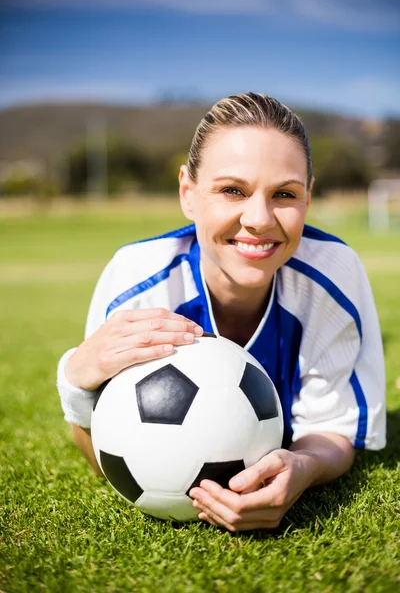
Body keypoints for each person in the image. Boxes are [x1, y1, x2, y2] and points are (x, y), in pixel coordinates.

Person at [57, 93, 386, 532]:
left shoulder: (332, 275)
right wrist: (76, 384)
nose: (259, 219)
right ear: (188, 194)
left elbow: (332, 433)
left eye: (284, 194)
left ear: (308, 197)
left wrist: (304, 467)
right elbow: (107, 456)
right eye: (233, 190)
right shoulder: (136, 280)